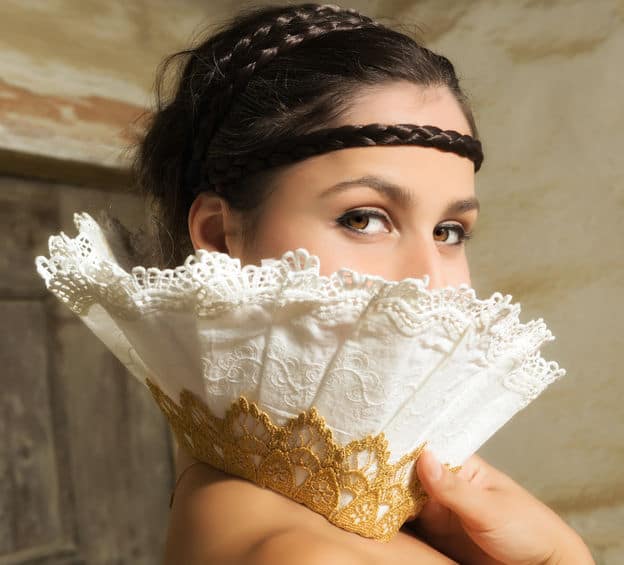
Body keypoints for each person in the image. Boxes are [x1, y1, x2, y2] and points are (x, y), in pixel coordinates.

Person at [132, 3, 595, 564]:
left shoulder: (241, 508)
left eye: (449, 231)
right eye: (364, 218)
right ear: (219, 235)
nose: (430, 284)